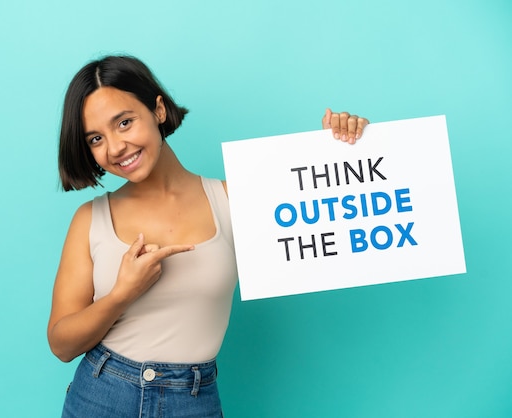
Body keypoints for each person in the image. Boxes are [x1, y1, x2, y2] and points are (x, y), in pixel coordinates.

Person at [47, 55, 369, 418]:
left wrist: (341, 148)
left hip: (193, 401)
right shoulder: (91, 219)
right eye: (96, 138)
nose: (115, 147)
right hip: (102, 395)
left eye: (124, 122)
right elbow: (61, 344)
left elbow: (324, 214)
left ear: (158, 110)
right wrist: (122, 294)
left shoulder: (234, 201)